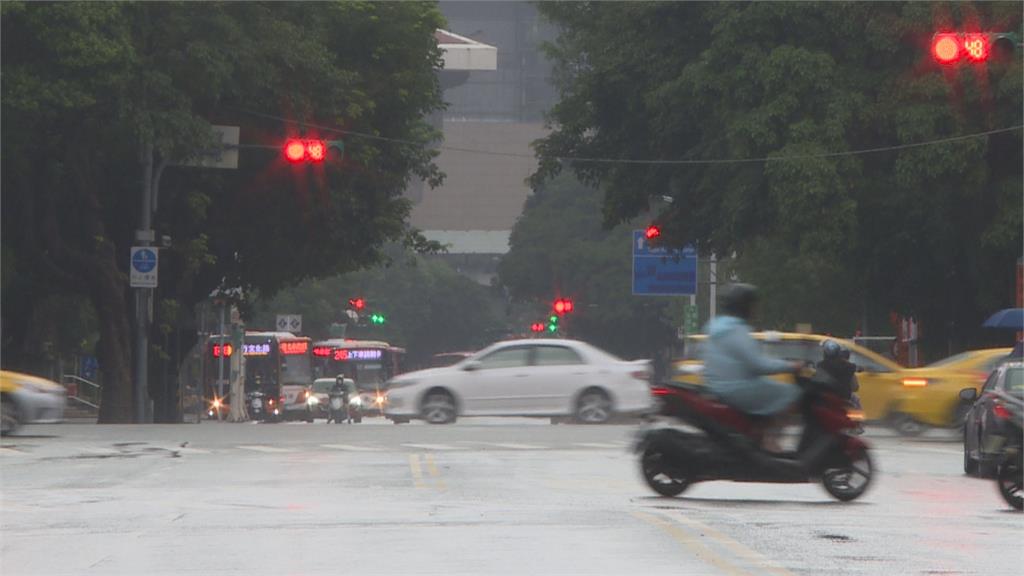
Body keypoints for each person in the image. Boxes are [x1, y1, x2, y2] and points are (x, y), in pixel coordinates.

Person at [702, 284, 803, 417]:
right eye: (753, 305)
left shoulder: (715, 327)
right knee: (792, 393)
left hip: (716, 387)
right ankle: (775, 435)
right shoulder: (736, 330)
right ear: (745, 306)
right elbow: (758, 365)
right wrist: (791, 366)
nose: (755, 310)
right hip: (736, 389)